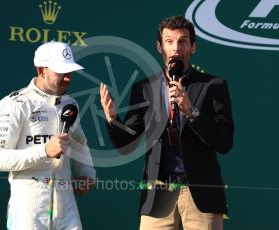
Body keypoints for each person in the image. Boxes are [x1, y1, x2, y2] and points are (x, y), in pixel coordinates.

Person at [100, 16, 234, 230]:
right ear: (159, 47)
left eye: (183, 41)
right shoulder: (144, 88)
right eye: (169, 41)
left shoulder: (213, 86)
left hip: (201, 195)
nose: (176, 48)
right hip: (158, 195)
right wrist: (113, 119)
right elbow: (127, 143)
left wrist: (191, 112)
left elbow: (225, 142)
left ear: (193, 47)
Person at [0, 41, 96, 230]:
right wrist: (44, 151)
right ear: (41, 70)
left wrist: (88, 175)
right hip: (28, 211)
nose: (68, 78)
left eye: (70, 72)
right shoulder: (15, 104)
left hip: (67, 209)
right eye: (61, 72)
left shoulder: (71, 104)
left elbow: (80, 142)